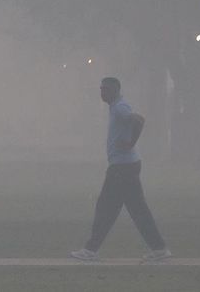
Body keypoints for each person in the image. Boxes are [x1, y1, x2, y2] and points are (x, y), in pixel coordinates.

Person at [70, 77, 172, 262]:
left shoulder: (119, 108)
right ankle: (159, 248)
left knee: (106, 208)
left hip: (122, 167)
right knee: (136, 209)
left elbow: (139, 120)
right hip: (126, 166)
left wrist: (131, 142)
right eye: (101, 89)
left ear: (115, 90)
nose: (102, 93)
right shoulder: (115, 107)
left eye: (105, 89)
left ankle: (91, 250)